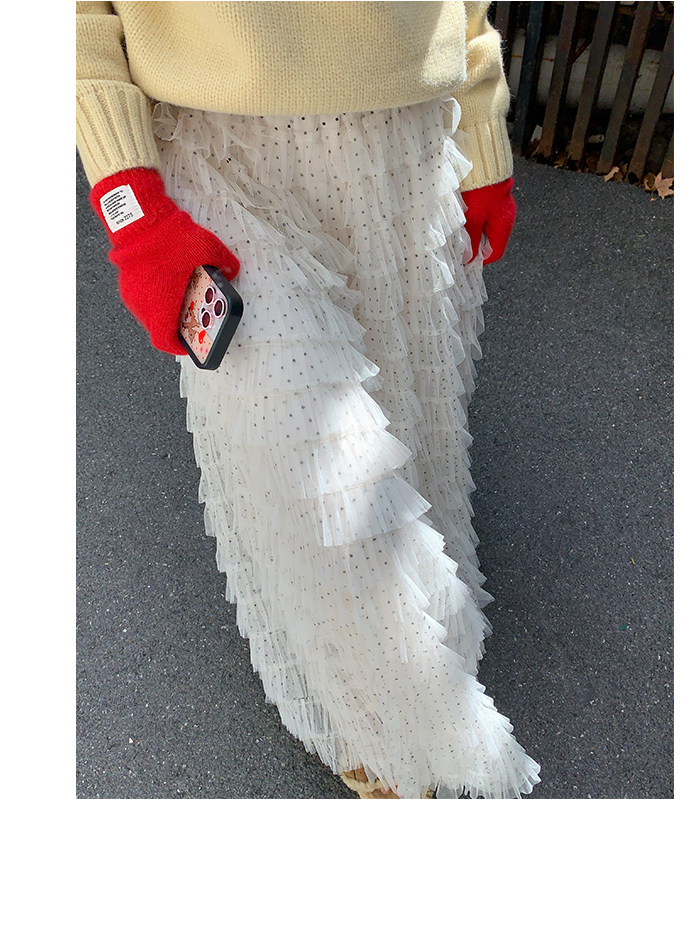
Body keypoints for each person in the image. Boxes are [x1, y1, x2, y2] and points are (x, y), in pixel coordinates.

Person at [76, 0, 541, 799]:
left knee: (402, 407)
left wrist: (481, 118)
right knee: (315, 460)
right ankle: (393, 722)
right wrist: (133, 208)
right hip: (215, 139)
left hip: (404, 133)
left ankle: (398, 652)